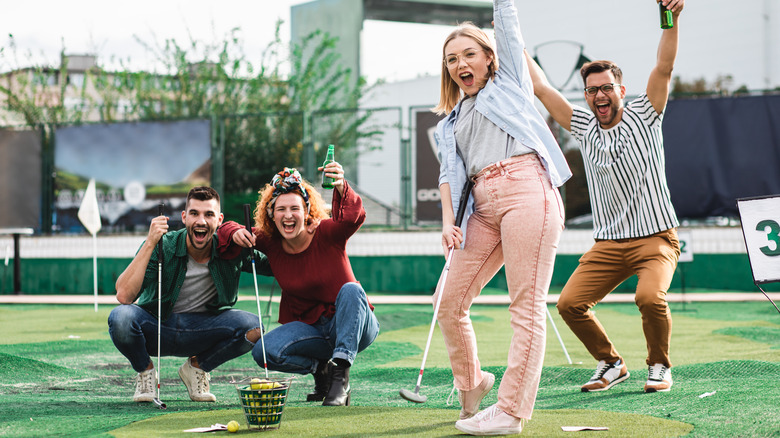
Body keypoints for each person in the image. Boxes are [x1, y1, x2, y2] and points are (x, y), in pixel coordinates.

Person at [526, 0, 684, 393]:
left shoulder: (645, 115)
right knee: (568, 304)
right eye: (592, 89)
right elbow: (543, 88)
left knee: (649, 297)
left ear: (621, 91)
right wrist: (514, 44)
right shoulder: (584, 126)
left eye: (606, 88)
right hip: (609, 244)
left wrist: (671, 20)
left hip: (656, 239)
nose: (599, 95)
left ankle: (660, 365)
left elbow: (663, 67)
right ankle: (611, 363)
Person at [432, 0, 572, 434]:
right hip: (483, 208)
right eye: (452, 59)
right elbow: (448, 175)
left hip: (528, 190)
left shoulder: (510, 82)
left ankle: (511, 411)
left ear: (489, 57)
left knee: (525, 307)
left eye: (469, 54)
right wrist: (447, 220)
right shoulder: (449, 122)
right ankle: (472, 384)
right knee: (448, 301)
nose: (460, 64)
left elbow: (508, 27)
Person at [217, 166, 379, 407]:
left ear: (307, 211)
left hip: (353, 326)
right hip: (312, 331)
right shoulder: (270, 242)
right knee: (263, 352)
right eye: (281, 209)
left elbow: (351, 217)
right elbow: (225, 230)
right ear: (271, 214)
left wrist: (341, 185)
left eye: (295, 208)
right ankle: (320, 370)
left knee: (351, 290)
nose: (288, 215)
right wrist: (236, 232)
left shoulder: (327, 233)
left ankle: (340, 377)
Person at [108, 186, 272, 403]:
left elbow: (274, 265)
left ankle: (196, 368)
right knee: (121, 317)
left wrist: (262, 234)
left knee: (254, 328)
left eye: (209, 214)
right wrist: (150, 242)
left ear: (219, 219)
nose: (201, 221)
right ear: (184, 217)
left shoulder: (231, 248)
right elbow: (124, 296)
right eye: (194, 213)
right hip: (158, 327)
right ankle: (146, 373)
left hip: (204, 330)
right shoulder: (163, 246)